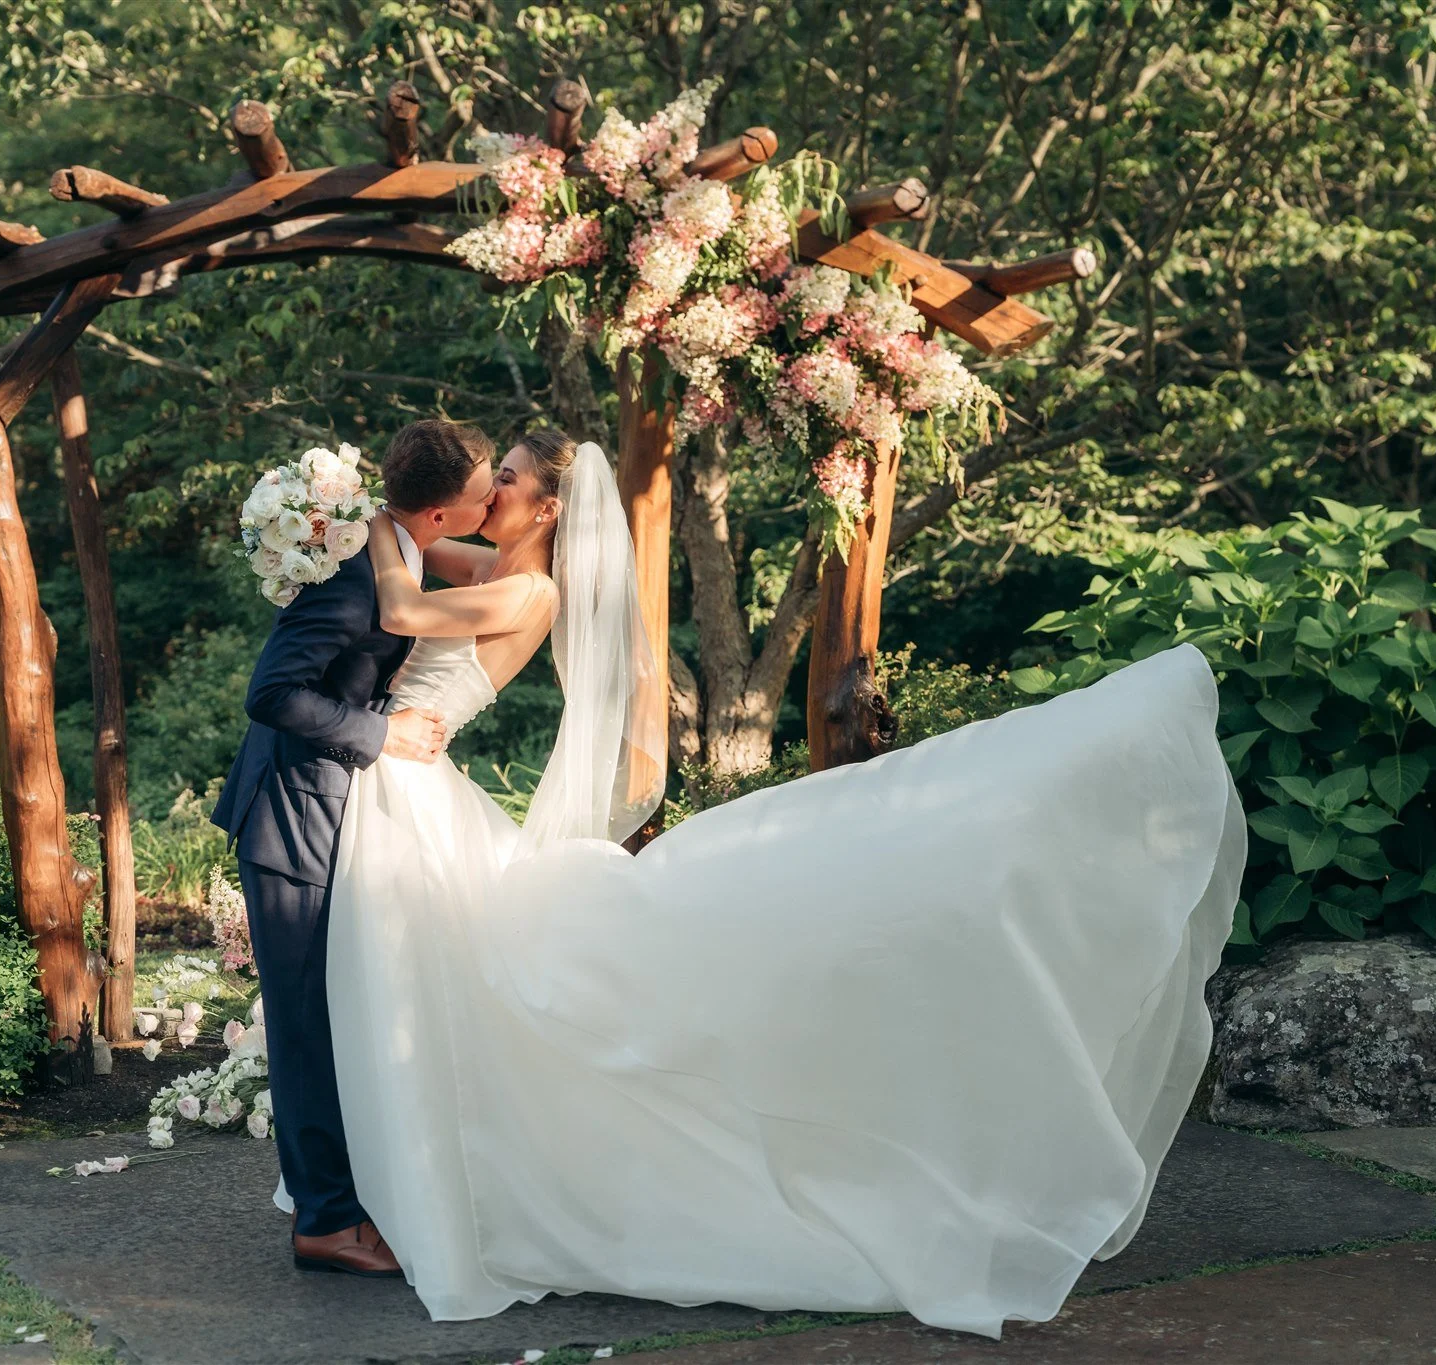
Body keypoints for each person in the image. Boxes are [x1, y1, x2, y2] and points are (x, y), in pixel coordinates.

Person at [309, 427, 1247, 1336]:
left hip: (410, 772)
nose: (488, 492)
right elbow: (429, 562)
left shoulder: (530, 592)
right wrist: (350, 518)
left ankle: (429, 1192)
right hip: (406, 772)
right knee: (434, 979)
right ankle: (403, 1179)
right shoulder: (493, 567)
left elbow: (402, 605)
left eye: (503, 478)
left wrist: (380, 517)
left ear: (547, 506)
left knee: (462, 975)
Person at [209, 417, 496, 1277]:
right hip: (290, 821)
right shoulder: (351, 587)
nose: (496, 497)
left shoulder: (398, 552)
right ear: (443, 512)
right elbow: (272, 694)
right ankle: (324, 1223)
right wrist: (382, 731)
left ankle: (348, 1196)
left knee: (336, 1016)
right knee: (303, 1027)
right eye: (488, 488)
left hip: (330, 811)